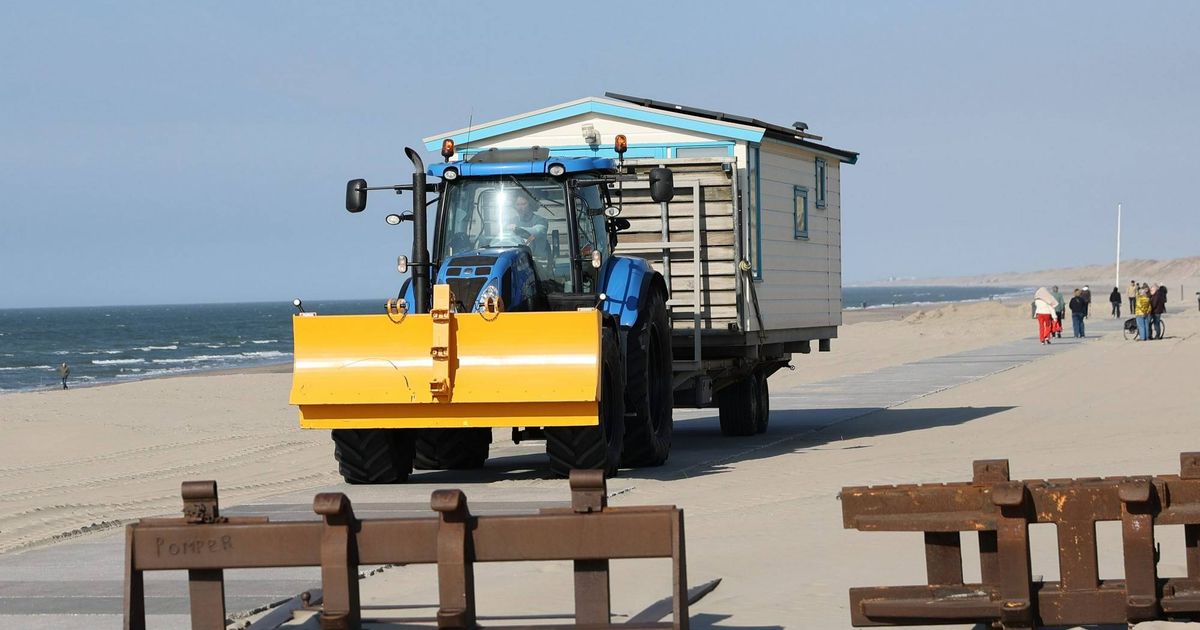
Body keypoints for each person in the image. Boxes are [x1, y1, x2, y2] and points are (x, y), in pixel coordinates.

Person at [507, 194, 550, 259]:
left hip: (538, 261)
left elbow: (538, 231)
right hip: (516, 259)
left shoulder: (541, 220)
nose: (520, 207)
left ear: (531, 204)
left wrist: (517, 229)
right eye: (518, 204)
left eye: (524, 204)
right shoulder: (512, 221)